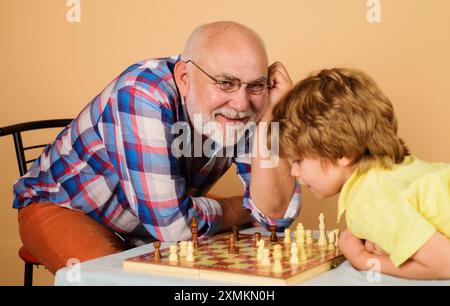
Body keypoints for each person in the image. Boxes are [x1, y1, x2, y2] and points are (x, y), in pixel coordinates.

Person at [13, 21, 301, 274]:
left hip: (151, 217)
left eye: (256, 85)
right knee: (119, 284)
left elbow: (275, 216)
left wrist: (271, 117)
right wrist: (243, 207)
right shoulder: (142, 93)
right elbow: (173, 228)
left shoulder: (251, 102)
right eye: (225, 83)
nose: (241, 104)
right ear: (184, 78)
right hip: (67, 206)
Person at [271, 67, 450, 279]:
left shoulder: (370, 201)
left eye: (298, 160)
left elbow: (445, 263)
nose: (293, 172)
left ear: (341, 152)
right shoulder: (396, 171)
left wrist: (361, 259)